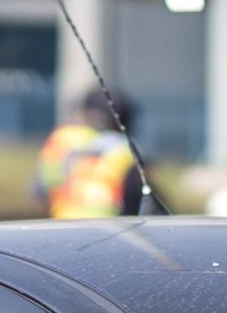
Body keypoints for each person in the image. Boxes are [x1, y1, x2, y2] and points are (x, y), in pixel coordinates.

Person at [32, 89, 144, 219]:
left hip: (62, 226)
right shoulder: (126, 148)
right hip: (112, 229)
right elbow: (143, 200)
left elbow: (41, 195)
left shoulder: (60, 140)